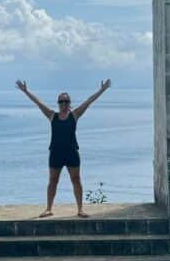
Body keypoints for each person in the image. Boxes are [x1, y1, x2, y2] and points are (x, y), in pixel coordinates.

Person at [15, 78, 112, 218]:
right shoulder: (52, 116)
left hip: (72, 152)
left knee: (76, 180)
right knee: (53, 181)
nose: (64, 104)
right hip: (56, 153)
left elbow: (89, 101)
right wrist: (26, 91)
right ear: (58, 103)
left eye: (66, 101)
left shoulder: (75, 115)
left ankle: (80, 209)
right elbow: (38, 103)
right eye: (61, 101)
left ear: (70, 103)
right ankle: (48, 209)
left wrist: (102, 90)